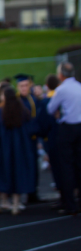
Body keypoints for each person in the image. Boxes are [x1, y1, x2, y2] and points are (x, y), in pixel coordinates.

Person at [0, 87, 37, 215]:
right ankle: (15, 206)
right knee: (17, 177)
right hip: (20, 150)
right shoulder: (23, 112)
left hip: (3, 152)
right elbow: (31, 130)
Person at [47, 62, 81, 215]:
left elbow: (50, 109)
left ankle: (70, 204)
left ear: (61, 75)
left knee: (66, 166)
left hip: (67, 128)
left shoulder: (61, 89)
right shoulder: (79, 87)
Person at [37, 74, 63, 210]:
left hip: (52, 140)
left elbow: (42, 124)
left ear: (46, 86)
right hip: (67, 137)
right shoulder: (63, 98)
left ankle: (64, 196)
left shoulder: (46, 102)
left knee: (58, 170)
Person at [14, 73, 40, 203]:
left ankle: (33, 193)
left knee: (33, 165)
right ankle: (21, 194)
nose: (24, 88)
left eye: (26, 85)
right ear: (17, 87)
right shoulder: (15, 102)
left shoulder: (33, 100)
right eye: (21, 86)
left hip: (32, 139)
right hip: (20, 140)